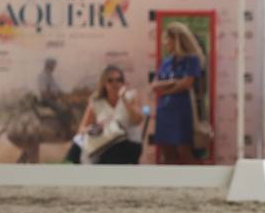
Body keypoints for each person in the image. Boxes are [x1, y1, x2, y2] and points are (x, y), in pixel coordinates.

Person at [64, 65, 144, 165]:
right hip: (104, 140)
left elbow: (138, 120)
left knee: (104, 154)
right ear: (104, 84)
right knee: (78, 142)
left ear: (123, 82)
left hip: (127, 142)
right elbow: (81, 129)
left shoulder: (131, 96)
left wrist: (124, 99)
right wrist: (97, 127)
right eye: (110, 80)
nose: (115, 84)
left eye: (118, 80)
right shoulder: (96, 101)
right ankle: (71, 173)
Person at [150, 22, 205, 165]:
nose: (165, 43)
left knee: (184, 151)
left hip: (181, 111)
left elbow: (187, 83)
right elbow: (155, 85)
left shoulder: (191, 60)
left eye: (168, 39)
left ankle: (197, 183)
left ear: (177, 39)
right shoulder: (166, 61)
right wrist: (174, 82)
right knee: (166, 154)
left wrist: (167, 89)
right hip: (164, 112)